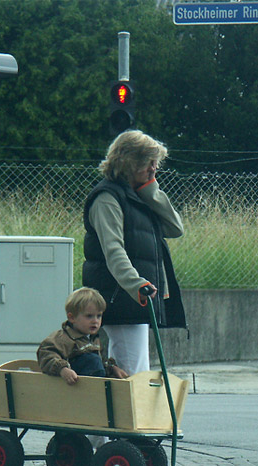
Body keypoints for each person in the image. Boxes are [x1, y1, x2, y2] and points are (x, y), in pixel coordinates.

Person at [82, 130, 187, 376]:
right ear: (130, 163)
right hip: (123, 297)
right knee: (134, 374)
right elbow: (113, 250)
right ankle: (128, 415)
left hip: (134, 298)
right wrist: (136, 284)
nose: (154, 170)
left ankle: (126, 414)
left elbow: (175, 228)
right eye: (149, 164)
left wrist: (152, 192)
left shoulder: (137, 197)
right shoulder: (107, 199)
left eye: (155, 164)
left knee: (133, 371)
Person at [37, 287, 128, 384]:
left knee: (96, 360)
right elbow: (46, 354)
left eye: (99, 316)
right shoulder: (63, 338)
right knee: (91, 359)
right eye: (89, 316)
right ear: (72, 318)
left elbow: (101, 362)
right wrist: (62, 369)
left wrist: (112, 368)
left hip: (92, 385)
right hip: (72, 385)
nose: (95, 321)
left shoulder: (94, 339)